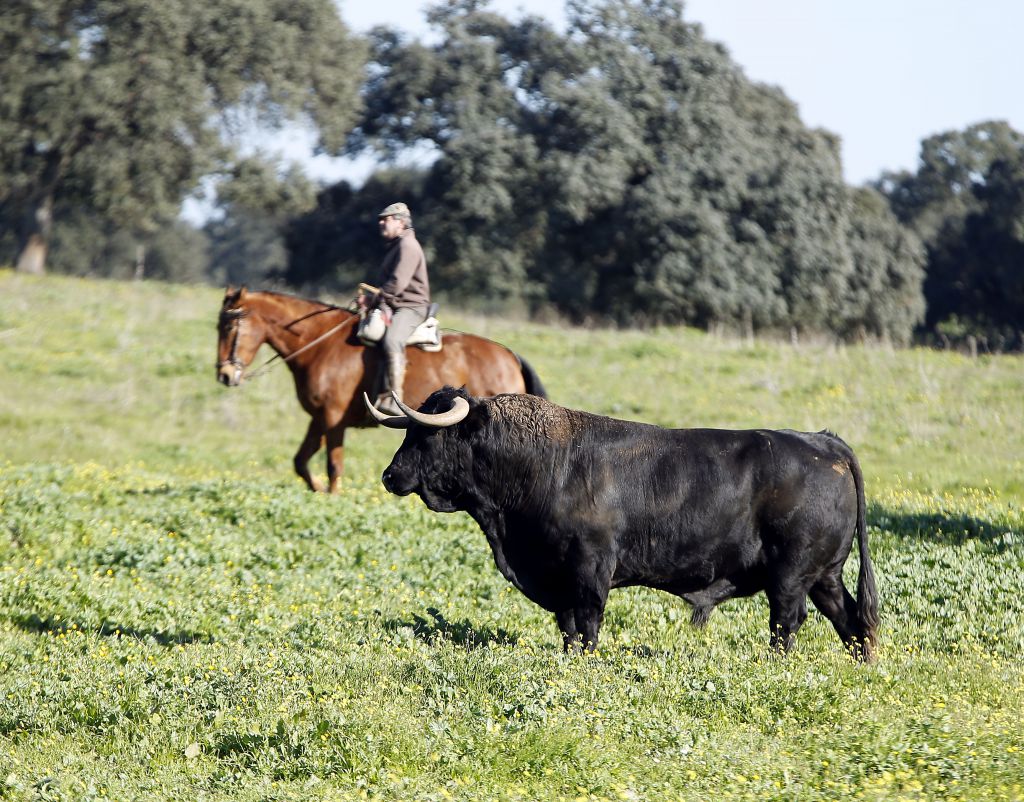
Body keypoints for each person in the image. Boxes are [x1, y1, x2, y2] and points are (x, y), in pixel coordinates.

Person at [368, 202, 430, 415]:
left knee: (392, 340)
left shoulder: (407, 246)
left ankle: (395, 399)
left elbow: (397, 284)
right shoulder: (397, 245)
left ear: (401, 222)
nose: (381, 223)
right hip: (396, 304)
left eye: (387, 219)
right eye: (381, 219)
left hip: (411, 307)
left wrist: (374, 299)